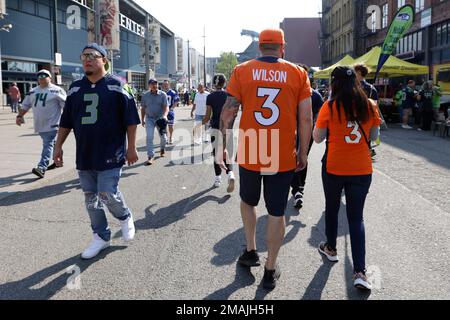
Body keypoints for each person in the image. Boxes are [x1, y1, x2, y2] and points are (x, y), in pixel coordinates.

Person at [219, 28, 312, 290]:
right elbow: (306, 118)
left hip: (251, 149)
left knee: (248, 202)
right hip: (282, 153)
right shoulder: (297, 73)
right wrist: (303, 151)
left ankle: (250, 250)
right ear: (283, 48)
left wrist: (221, 147)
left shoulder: (242, 70)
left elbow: (228, 113)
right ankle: (270, 268)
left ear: (260, 47)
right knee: (276, 211)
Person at [53, 43, 140, 259]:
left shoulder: (119, 85)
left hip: (112, 151)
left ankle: (124, 215)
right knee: (90, 198)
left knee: (107, 192)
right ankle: (101, 236)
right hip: (85, 153)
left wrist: (132, 147)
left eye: (92, 55)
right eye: (83, 56)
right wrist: (58, 146)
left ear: (104, 59)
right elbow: (66, 121)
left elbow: (131, 120)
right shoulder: (74, 88)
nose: (87, 60)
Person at [313, 66, 381, 291]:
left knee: (331, 209)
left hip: (334, 167)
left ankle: (331, 249)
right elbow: (374, 137)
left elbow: (317, 139)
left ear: (334, 83)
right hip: (362, 168)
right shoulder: (370, 105)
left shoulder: (329, 106)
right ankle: (360, 271)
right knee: (356, 218)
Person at [16, 70, 66, 178]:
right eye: (39, 76)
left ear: (50, 77)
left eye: (44, 76)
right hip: (40, 124)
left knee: (47, 144)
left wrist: (70, 120)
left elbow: (66, 106)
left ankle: (42, 167)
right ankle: (58, 160)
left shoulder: (57, 90)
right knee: (52, 143)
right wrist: (19, 116)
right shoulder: (33, 91)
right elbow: (25, 105)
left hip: (53, 123)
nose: (42, 77)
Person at [290, 64, 324, 209]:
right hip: (307, 132)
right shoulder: (315, 94)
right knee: (303, 157)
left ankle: (296, 188)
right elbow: (319, 116)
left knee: (292, 159)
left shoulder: (290, 92)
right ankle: (299, 188)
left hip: (291, 132)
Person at [203, 73, 235, 192]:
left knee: (217, 153)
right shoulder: (229, 95)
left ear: (214, 84)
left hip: (215, 127)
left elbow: (207, 117)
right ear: (224, 83)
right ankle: (230, 173)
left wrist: (199, 124)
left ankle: (218, 178)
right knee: (227, 152)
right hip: (227, 127)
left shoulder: (210, 97)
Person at [141, 79, 169, 165]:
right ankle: (150, 156)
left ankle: (162, 149)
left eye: (155, 84)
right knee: (149, 137)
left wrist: (165, 115)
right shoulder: (145, 95)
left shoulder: (162, 94)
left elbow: (166, 107)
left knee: (163, 138)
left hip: (160, 118)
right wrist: (142, 120)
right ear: (149, 85)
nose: (154, 85)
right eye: (152, 84)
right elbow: (143, 108)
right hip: (149, 118)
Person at [162, 80, 180, 145]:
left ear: (169, 85)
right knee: (163, 126)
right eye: (164, 84)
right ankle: (165, 138)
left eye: (166, 84)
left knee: (170, 126)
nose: (165, 86)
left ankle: (171, 137)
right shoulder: (161, 92)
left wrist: (172, 108)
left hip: (170, 111)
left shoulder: (173, 92)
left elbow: (176, 101)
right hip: (162, 112)